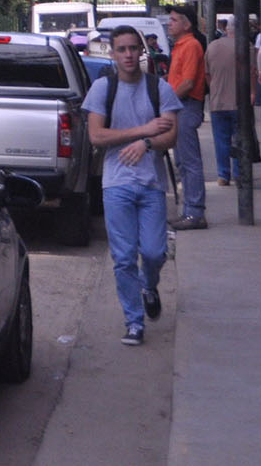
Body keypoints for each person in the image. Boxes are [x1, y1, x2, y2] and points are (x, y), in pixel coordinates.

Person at [82, 25, 181, 348]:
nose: (127, 55)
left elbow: (170, 135)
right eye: (121, 49)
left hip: (151, 184)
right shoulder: (101, 89)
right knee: (124, 258)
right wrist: (144, 131)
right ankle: (134, 322)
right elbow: (97, 136)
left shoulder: (159, 88)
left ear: (142, 52)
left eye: (132, 49)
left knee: (153, 253)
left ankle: (149, 286)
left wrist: (147, 144)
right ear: (111, 54)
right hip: (116, 184)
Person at [164, 4, 208, 230]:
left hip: (186, 106)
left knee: (189, 163)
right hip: (181, 106)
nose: (169, 23)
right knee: (182, 161)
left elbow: (188, 83)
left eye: (173, 20)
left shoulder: (190, 46)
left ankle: (195, 213)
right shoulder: (181, 46)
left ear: (186, 24)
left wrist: (166, 101)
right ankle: (190, 210)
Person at [205, 16, 242, 186]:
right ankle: (239, 172)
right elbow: (251, 72)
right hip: (239, 102)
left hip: (217, 101)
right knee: (240, 138)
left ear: (227, 29)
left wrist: (214, 88)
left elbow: (207, 74)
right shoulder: (244, 47)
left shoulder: (212, 47)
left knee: (221, 140)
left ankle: (223, 175)